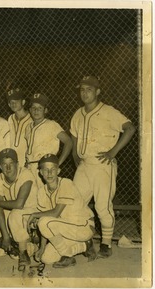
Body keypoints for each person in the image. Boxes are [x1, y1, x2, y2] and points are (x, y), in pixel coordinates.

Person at [70, 76, 136, 258]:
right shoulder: (77, 113)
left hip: (103, 164)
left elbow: (130, 128)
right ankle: (86, 238)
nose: (85, 93)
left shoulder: (108, 111)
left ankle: (106, 243)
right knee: (75, 204)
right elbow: (74, 141)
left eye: (89, 89)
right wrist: (77, 159)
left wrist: (113, 152)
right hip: (84, 165)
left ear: (98, 92)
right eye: (82, 89)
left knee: (102, 206)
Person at [27, 154, 96, 268]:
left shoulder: (66, 183)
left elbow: (54, 214)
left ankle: (68, 256)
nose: (49, 173)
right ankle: (85, 246)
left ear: (58, 171)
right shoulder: (41, 191)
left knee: (43, 222)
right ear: (40, 172)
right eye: (46, 170)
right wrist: (42, 247)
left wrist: (35, 214)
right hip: (65, 228)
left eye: (53, 169)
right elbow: (46, 224)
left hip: (83, 226)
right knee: (46, 258)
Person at [0, 148, 38, 266]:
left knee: (15, 214)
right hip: (14, 213)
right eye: (4, 165)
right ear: (0, 166)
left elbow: (19, 204)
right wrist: (5, 236)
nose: (8, 168)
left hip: (32, 212)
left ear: (17, 164)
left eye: (11, 164)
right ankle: (19, 242)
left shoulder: (26, 174)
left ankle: (24, 252)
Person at [24, 93, 72, 189]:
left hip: (44, 167)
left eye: (40, 108)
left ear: (45, 110)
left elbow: (68, 142)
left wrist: (58, 162)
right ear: (29, 110)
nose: (36, 110)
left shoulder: (51, 125)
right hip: (30, 167)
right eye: (33, 108)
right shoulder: (28, 127)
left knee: (46, 197)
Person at [6, 88, 32, 167]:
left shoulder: (31, 118)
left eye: (16, 101)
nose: (13, 104)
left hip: (26, 161)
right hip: (12, 160)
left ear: (23, 102)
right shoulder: (10, 118)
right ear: (9, 104)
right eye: (11, 102)